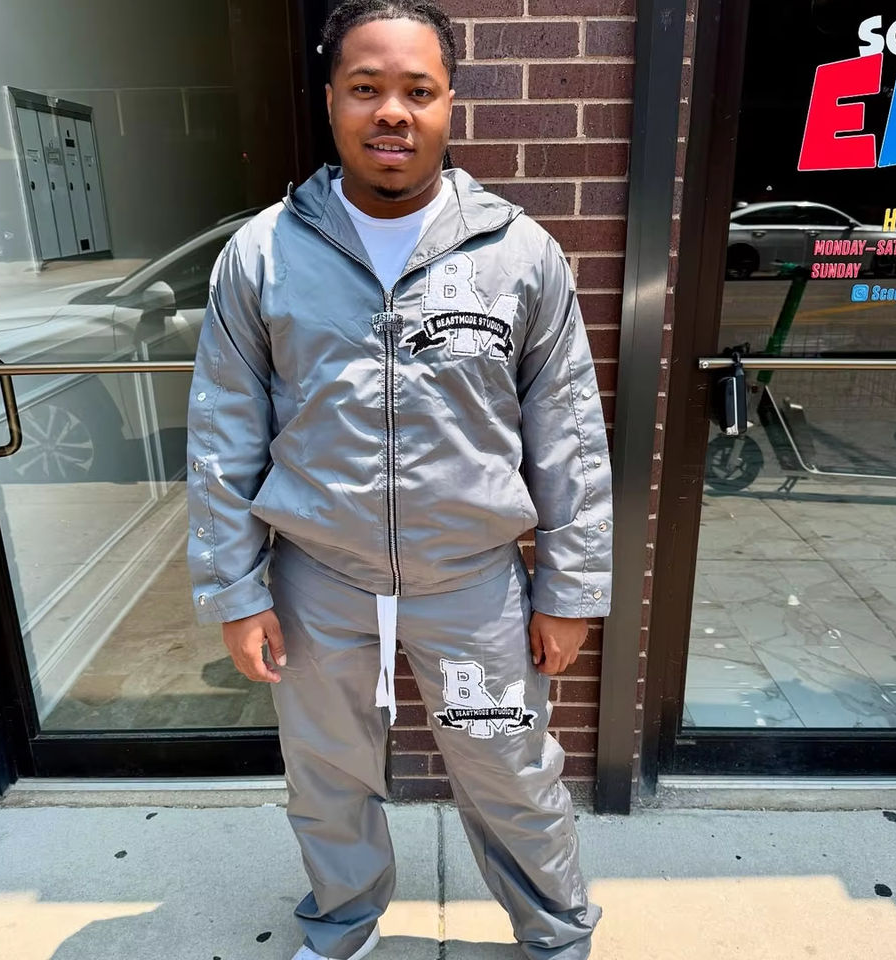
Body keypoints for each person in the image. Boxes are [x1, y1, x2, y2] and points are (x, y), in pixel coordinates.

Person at [185, 2, 613, 958]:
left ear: (449, 102)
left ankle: (556, 937)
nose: (392, 111)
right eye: (366, 87)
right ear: (331, 100)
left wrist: (570, 589)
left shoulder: (517, 254)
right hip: (318, 581)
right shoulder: (264, 254)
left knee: (511, 772)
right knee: (326, 776)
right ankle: (342, 924)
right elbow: (223, 432)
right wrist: (236, 591)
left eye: (418, 90)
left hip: (472, 586)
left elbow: (569, 435)